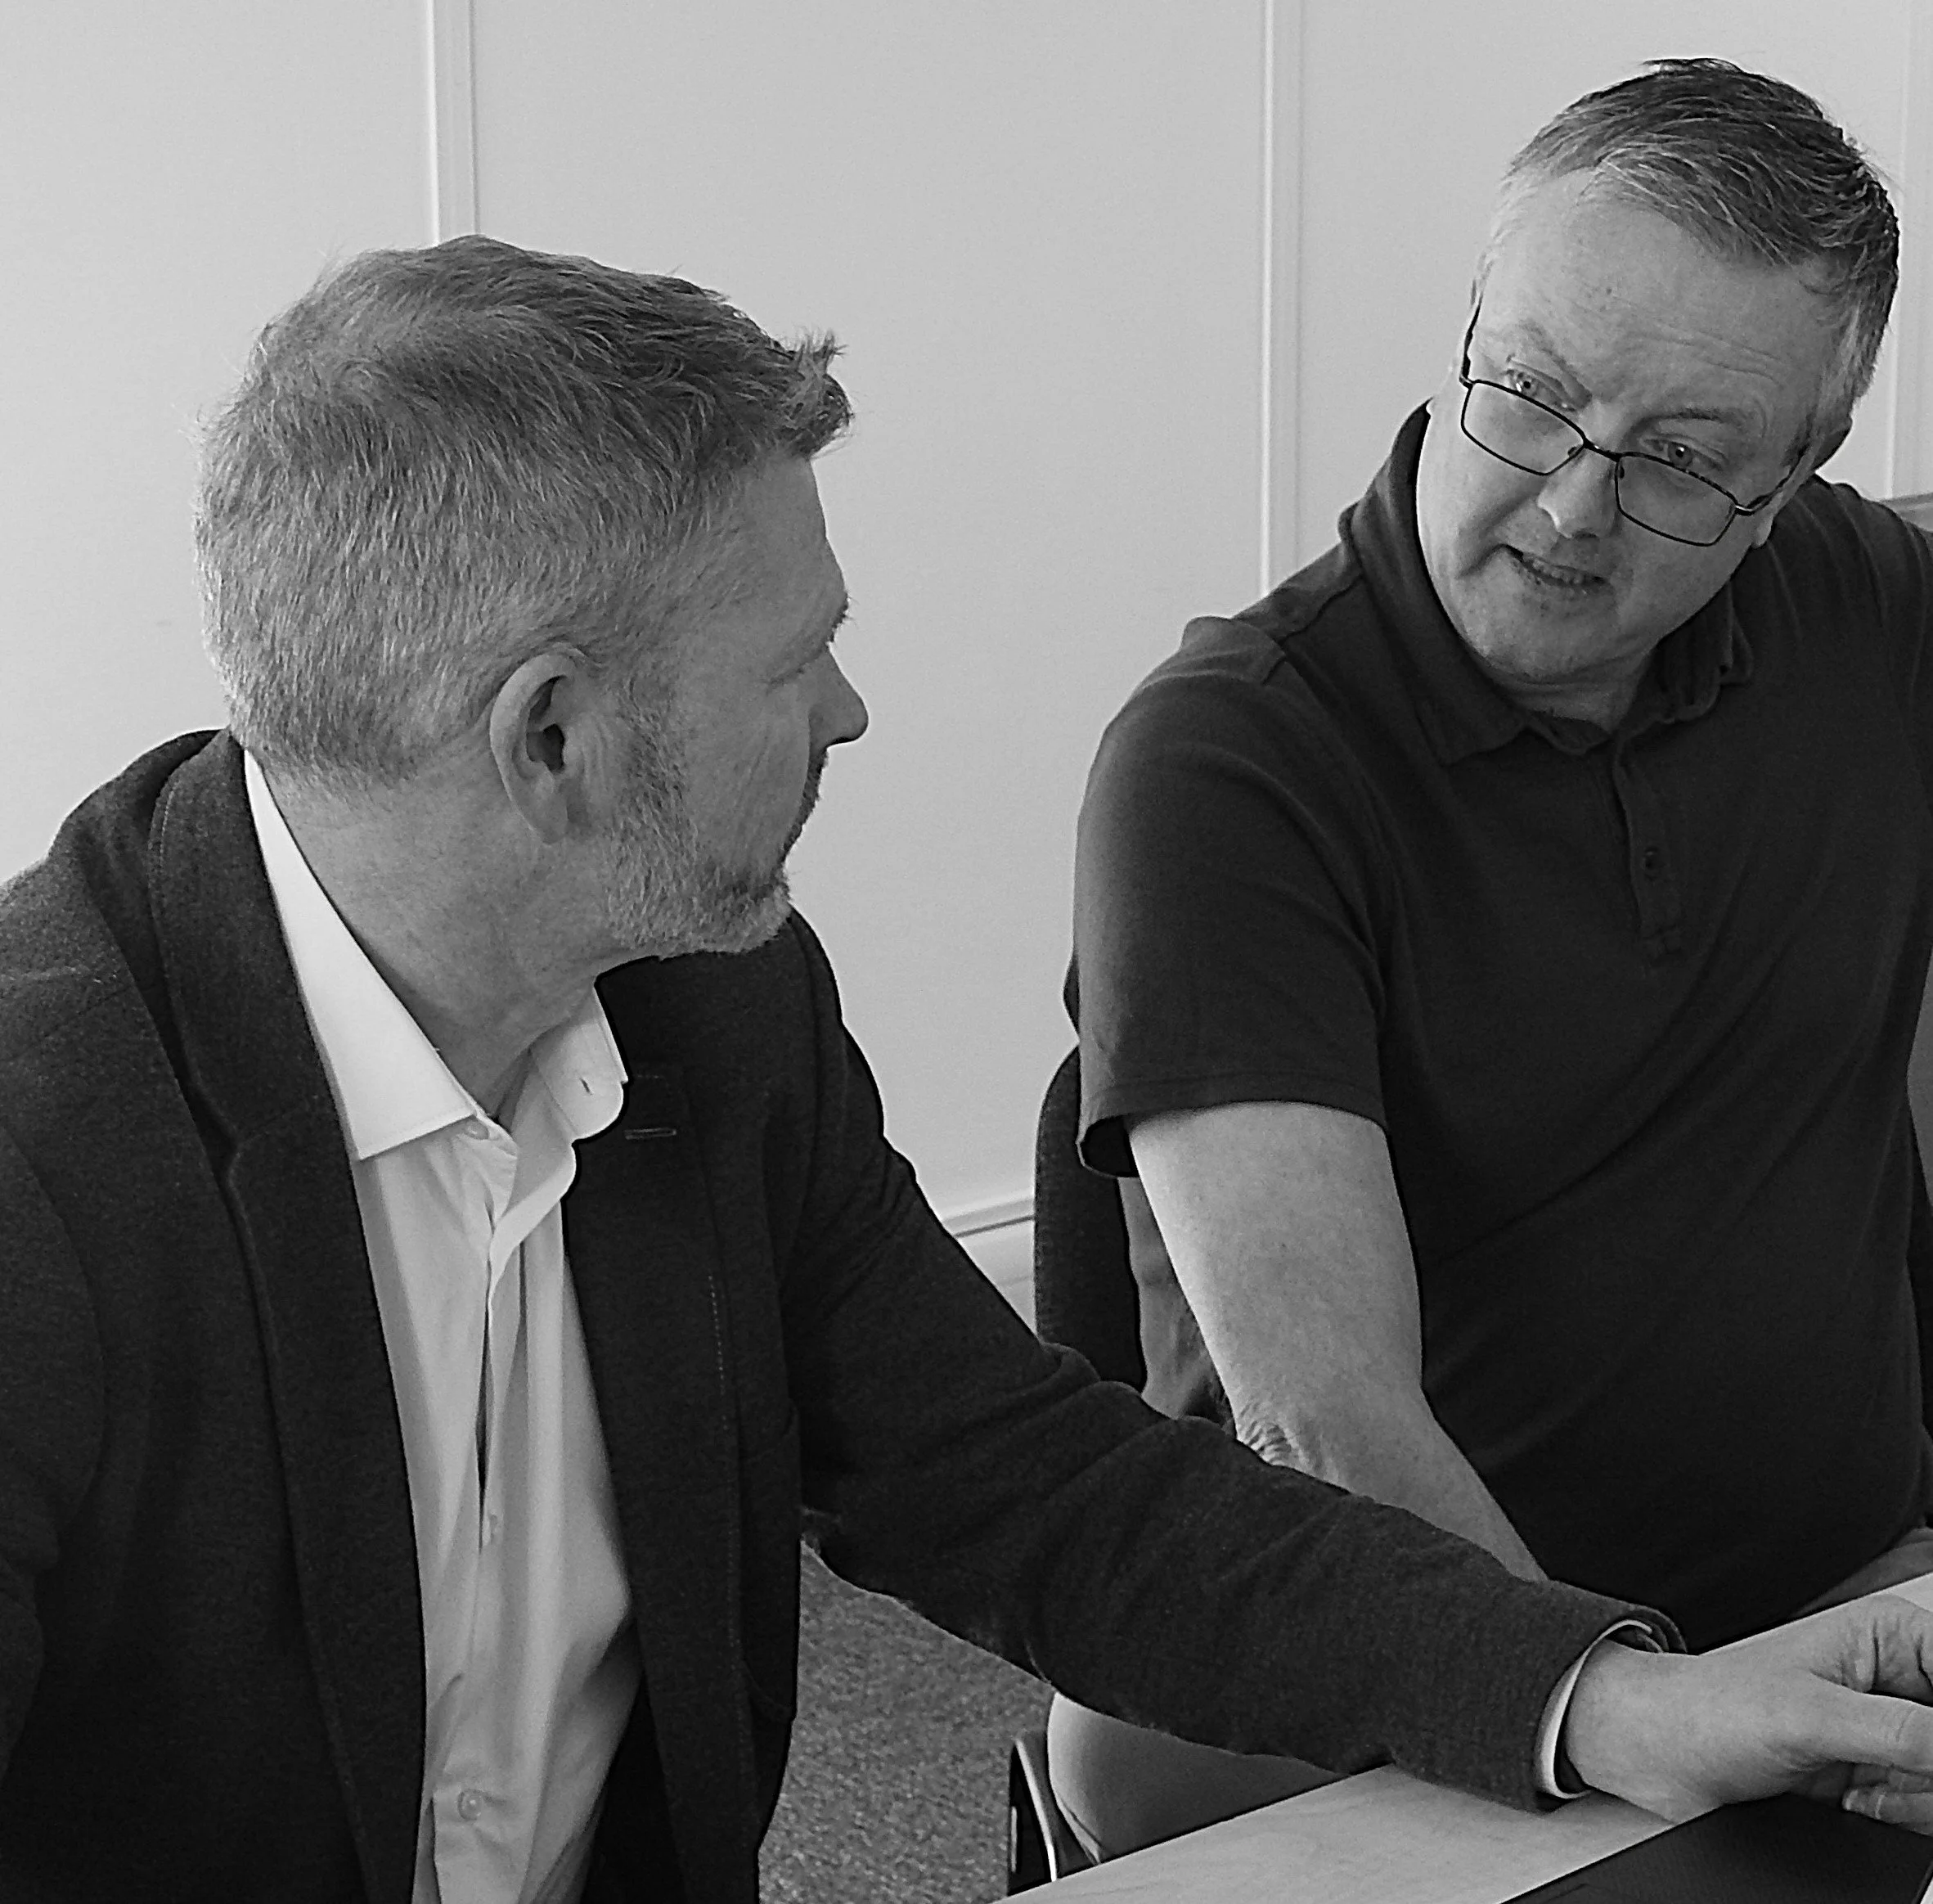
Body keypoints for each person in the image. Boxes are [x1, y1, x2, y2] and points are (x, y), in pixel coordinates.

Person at [7, 238, 1933, 1904]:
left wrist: (1607, 1697)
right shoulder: (39, 1172)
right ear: (553, 740)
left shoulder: (706, 1011)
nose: (850, 712)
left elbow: (1039, 1494)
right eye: (794, 663)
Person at [1063, 54, 1933, 1857]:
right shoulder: (1226, 762)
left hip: (1841, 1608)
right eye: (1531, 396)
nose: (1566, 506)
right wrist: (1632, 1715)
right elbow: (1326, 1424)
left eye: (1678, 460)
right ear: (1466, 333)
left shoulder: (1861, 608)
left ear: (1793, 475)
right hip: (1394, 1694)